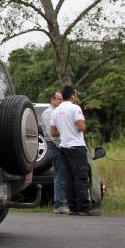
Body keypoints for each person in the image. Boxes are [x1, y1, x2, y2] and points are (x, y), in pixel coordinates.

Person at [50, 85, 97, 216]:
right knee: (81, 177)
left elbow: (53, 132)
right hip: (77, 146)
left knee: (68, 177)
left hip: (63, 146)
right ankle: (84, 208)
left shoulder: (56, 111)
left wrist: (65, 130)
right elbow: (81, 127)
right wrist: (82, 125)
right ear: (72, 95)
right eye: (75, 94)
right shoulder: (75, 108)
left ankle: (73, 207)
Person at [42, 90, 68, 214]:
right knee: (60, 175)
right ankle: (59, 204)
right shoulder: (49, 113)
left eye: (62, 99)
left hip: (60, 146)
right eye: (59, 99)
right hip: (55, 147)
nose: (61, 101)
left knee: (63, 175)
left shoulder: (58, 113)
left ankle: (64, 202)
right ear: (52, 100)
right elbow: (53, 136)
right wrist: (64, 146)